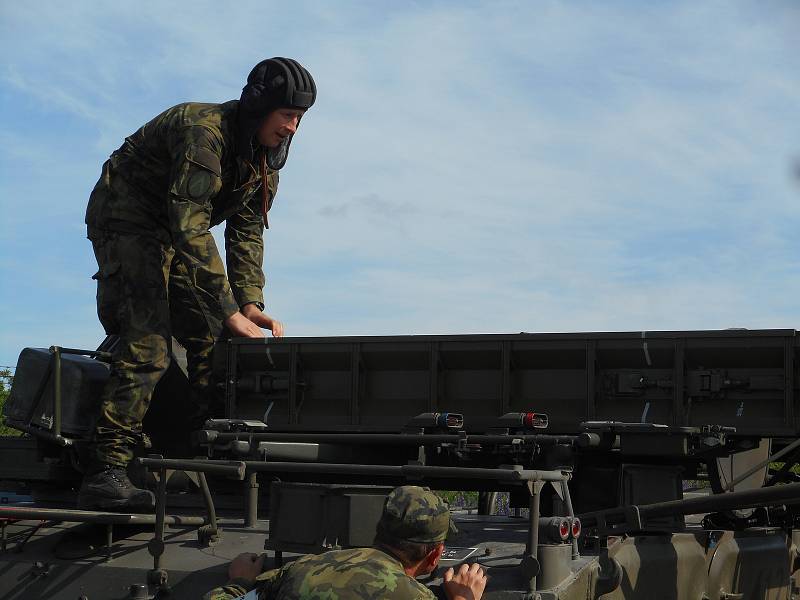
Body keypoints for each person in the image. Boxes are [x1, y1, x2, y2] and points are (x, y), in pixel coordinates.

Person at [78, 57, 317, 511]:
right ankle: (107, 467)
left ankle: (193, 457)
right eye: (288, 115)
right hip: (128, 219)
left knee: (210, 337)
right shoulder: (204, 131)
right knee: (148, 341)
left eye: (300, 118)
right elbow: (191, 226)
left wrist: (247, 304)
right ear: (259, 106)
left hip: (175, 231)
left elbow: (246, 230)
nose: (293, 128)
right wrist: (226, 305)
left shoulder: (264, 157)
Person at [203, 486, 488, 600]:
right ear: (436, 554)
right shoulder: (413, 596)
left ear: (379, 530)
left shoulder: (304, 567)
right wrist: (463, 598)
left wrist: (240, 584)